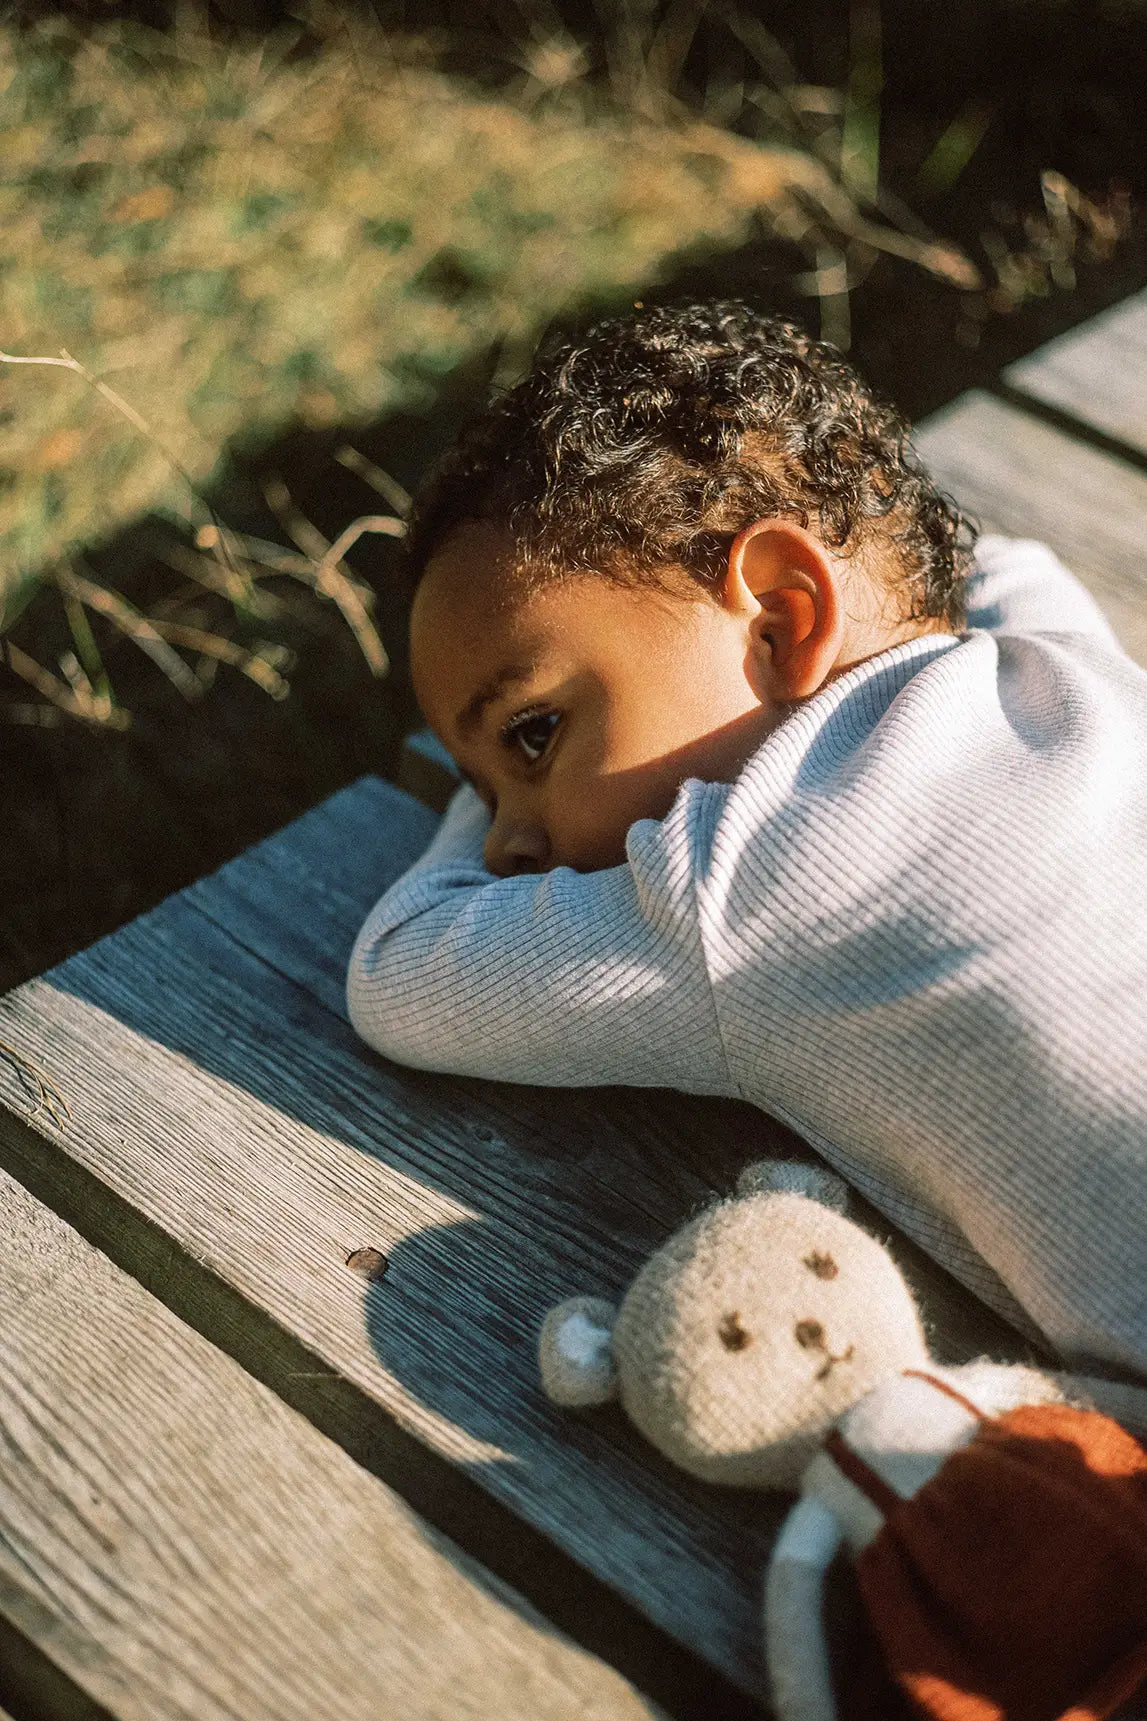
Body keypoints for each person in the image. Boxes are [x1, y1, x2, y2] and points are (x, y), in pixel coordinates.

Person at [348, 301, 1147, 1378]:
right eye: (489, 794)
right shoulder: (1063, 675)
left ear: (777, 617)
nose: (507, 843)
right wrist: (885, 565)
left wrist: (460, 787)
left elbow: (400, 970)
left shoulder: (736, 881)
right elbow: (1011, 561)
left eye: (532, 734)